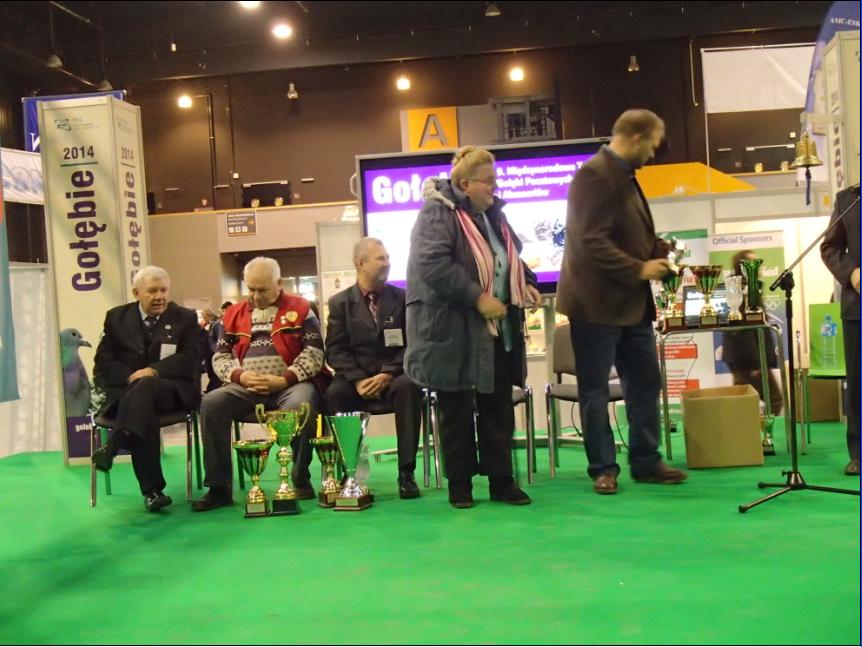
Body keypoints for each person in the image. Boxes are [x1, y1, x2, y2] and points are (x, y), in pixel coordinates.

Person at [556, 109, 687, 495]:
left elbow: (618, 233)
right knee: (595, 391)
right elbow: (590, 240)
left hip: (631, 305)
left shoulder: (624, 176)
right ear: (636, 138)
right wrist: (640, 268)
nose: (653, 153)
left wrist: (656, 248)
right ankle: (603, 468)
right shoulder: (593, 175)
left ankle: (646, 461)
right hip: (595, 306)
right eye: (652, 145)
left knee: (645, 382)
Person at [405, 145, 541, 509]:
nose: (495, 187)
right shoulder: (437, 213)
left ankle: (502, 481)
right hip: (453, 330)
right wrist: (477, 298)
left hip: (497, 331)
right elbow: (432, 264)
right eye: (488, 181)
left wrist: (526, 281)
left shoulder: (494, 215)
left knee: (498, 407)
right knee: (456, 409)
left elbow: (509, 256)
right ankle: (460, 485)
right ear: (465, 184)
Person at [193, 257, 326, 511]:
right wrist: (240, 376)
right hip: (247, 387)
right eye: (250, 289)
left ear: (279, 283)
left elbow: (315, 353)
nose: (255, 296)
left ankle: (300, 478)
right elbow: (220, 357)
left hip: (291, 385)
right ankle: (219, 487)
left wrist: (284, 379)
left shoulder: (302, 309)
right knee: (212, 403)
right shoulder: (232, 314)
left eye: (262, 290)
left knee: (301, 405)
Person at [91, 266, 202, 511]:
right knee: (143, 411)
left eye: (164, 290)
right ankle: (153, 493)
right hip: (128, 393)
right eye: (152, 291)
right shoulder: (116, 318)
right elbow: (103, 362)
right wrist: (132, 377)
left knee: (148, 384)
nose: (160, 296)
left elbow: (191, 359)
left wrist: (153, 371)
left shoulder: (185, 318)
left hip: (171, 392)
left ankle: (114, 444)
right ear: (136, 292)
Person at [324, 237, 422, 499]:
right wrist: (357, 380)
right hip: (355, 379)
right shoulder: (340, 303)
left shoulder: (403, 298)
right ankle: (349, 469)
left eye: (388, 258)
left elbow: (414, 343)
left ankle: (406, 473)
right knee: (334, 394)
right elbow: (335, 350)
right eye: (381, 259)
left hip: (393, 376)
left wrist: (387, 373)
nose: (387, 263)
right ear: (361, 264)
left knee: (410, 387)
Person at [820, 185, 860, 476]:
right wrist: (852, 273)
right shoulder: (849, 199)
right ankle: (859, 454)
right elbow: (830, 247)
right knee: (858, 384)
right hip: (858, 307)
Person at [720, 250, 783, 418]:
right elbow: (744, 331)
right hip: (748, 359)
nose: (759, 266)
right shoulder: (742, 291)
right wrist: (756, 363)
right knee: (773, 399)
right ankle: (758, 431)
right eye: (754, 263)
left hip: (742, 358)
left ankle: (747, 430)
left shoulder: (743, 288)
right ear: (744, 267)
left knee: (742, 400)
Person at [204, 301, 233, 393]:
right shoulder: (218, 324)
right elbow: (212, 339)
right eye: (225, 311)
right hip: (217, 353)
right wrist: (217, 351)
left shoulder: (232, 322)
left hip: (228, 354)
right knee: (216, 376)